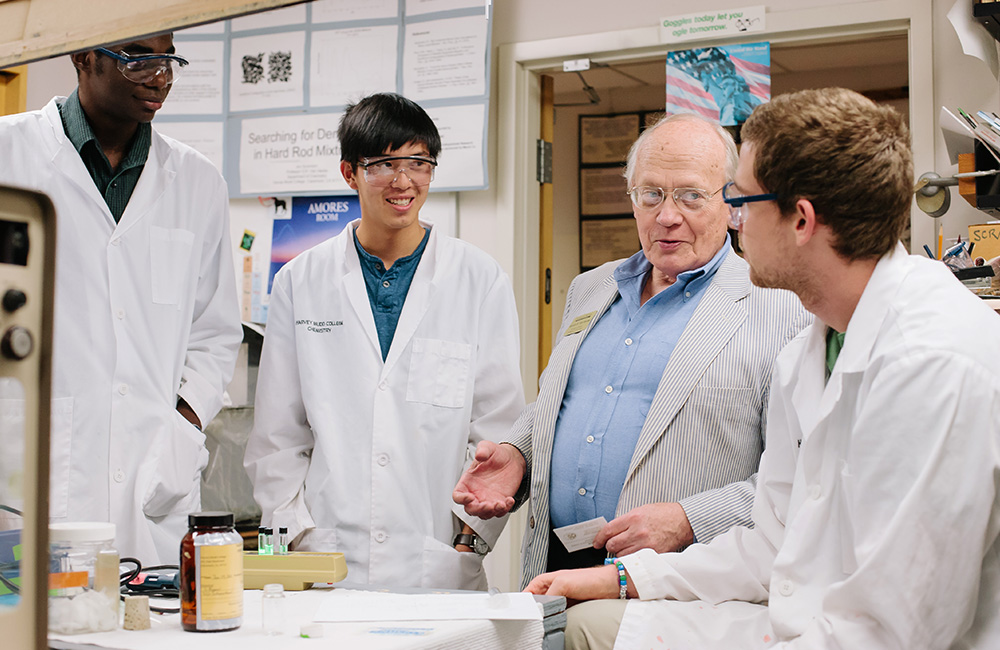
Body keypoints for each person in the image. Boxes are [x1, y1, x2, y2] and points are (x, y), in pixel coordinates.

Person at [525, 87, 1000, 650]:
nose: (734, 220)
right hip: (804, 618)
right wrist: (623, 579)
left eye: (740, 199)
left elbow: (893, 631)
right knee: (580, 627)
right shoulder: (815, 347)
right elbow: (773, 540)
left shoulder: (931, 363)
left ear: (800, 219)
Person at [454, 113, 810, 588]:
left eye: (691, 195)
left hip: (679, 580)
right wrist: (519, 452)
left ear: (732, 203)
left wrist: (687, 518)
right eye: (651, 194)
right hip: (556, 565)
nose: (667, 215)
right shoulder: (591, 288)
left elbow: (801, 481)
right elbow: (562, 401)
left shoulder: (783, 308)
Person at [244, 93, 524, 590]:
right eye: (384, 164)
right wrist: (296, 532)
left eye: (418, 163)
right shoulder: (300, 280)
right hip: (327, 555)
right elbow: (277, 434)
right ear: (350, 173)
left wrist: (468, 538)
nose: (403, 181)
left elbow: (497, 426)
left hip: (434, 556)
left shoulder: (479, 279)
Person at [0, 34, 242, 564]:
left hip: (153, 473)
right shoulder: (7, 155)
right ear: (83, 56)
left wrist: (183, 427)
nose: (161, 78)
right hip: (27, 463)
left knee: (147, 626)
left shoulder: (197, 182)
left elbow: (216, 332)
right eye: (139, 60)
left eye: (169, 59)